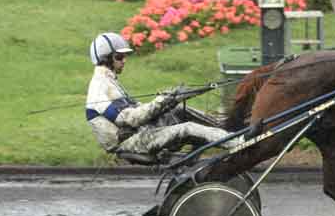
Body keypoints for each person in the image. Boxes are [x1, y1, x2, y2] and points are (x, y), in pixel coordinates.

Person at [85, 32, 242, 159]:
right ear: (106, 59)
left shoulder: (108, 81)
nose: (124, 61)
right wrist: (163, 100)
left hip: (138, 132)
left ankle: (227, 129)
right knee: (187, 128)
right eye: (119, 57)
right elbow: (131, 119)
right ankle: (236, 143)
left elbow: (133, 110)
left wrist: (170, 100)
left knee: (179, 110)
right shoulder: (100, 87)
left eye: (125, 56)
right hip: (130, 142)